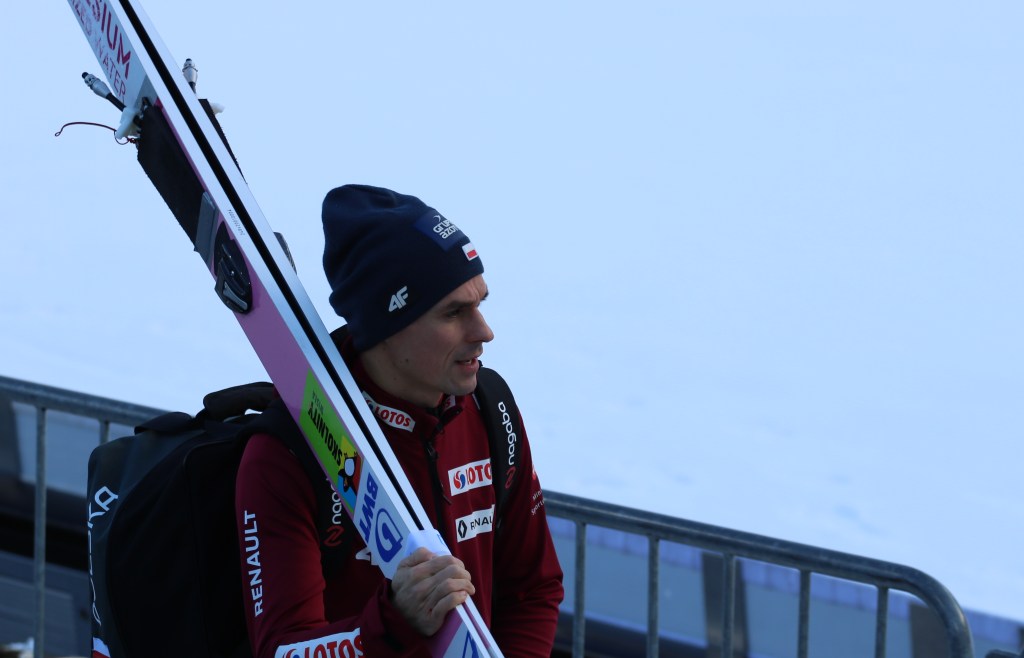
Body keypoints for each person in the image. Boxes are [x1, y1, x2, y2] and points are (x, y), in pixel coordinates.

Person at [235, 185, 564, 657]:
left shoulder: (491, 408)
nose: (484, 331)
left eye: (480, 303)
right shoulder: (285, 455)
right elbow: (280, 651)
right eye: (454, 312)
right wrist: (393, 621)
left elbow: (533, 589)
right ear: (386, 326)